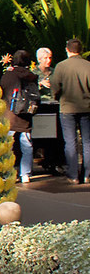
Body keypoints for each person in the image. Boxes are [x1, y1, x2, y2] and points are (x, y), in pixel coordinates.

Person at [52, 38, 90, 184]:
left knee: (70, 141)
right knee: (87, 142)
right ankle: (87, 174)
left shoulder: (61, 66)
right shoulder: (88, 66)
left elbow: (55, 88)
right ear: (81, 50)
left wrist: (58, 97)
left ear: (67, 50)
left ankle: (73, 175)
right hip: (86, 107)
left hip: (67, 108)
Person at [1, 50, 38, 184]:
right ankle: (25, 174)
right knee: (27, 145)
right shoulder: (31, 76)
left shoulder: (8, 75)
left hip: (10, 114)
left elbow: (1, 91)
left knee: (8, 145)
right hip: (25, 115)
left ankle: (8, 172)